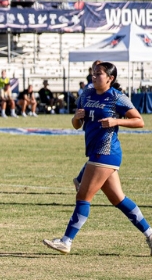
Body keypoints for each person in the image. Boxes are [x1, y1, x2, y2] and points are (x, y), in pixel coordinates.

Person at [44, 62, 152, 255]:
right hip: (94, 152)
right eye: (93, 74)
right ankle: (150, 234)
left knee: (83, 196)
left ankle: (66, 241)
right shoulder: (86, 94)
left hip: (107, 151)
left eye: (98, 74)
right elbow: (77, 125)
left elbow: (140, 121)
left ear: (110, 78)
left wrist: (116, 120)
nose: (94, 77)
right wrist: (76, 117)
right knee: (118, 199)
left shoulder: (117, 97)